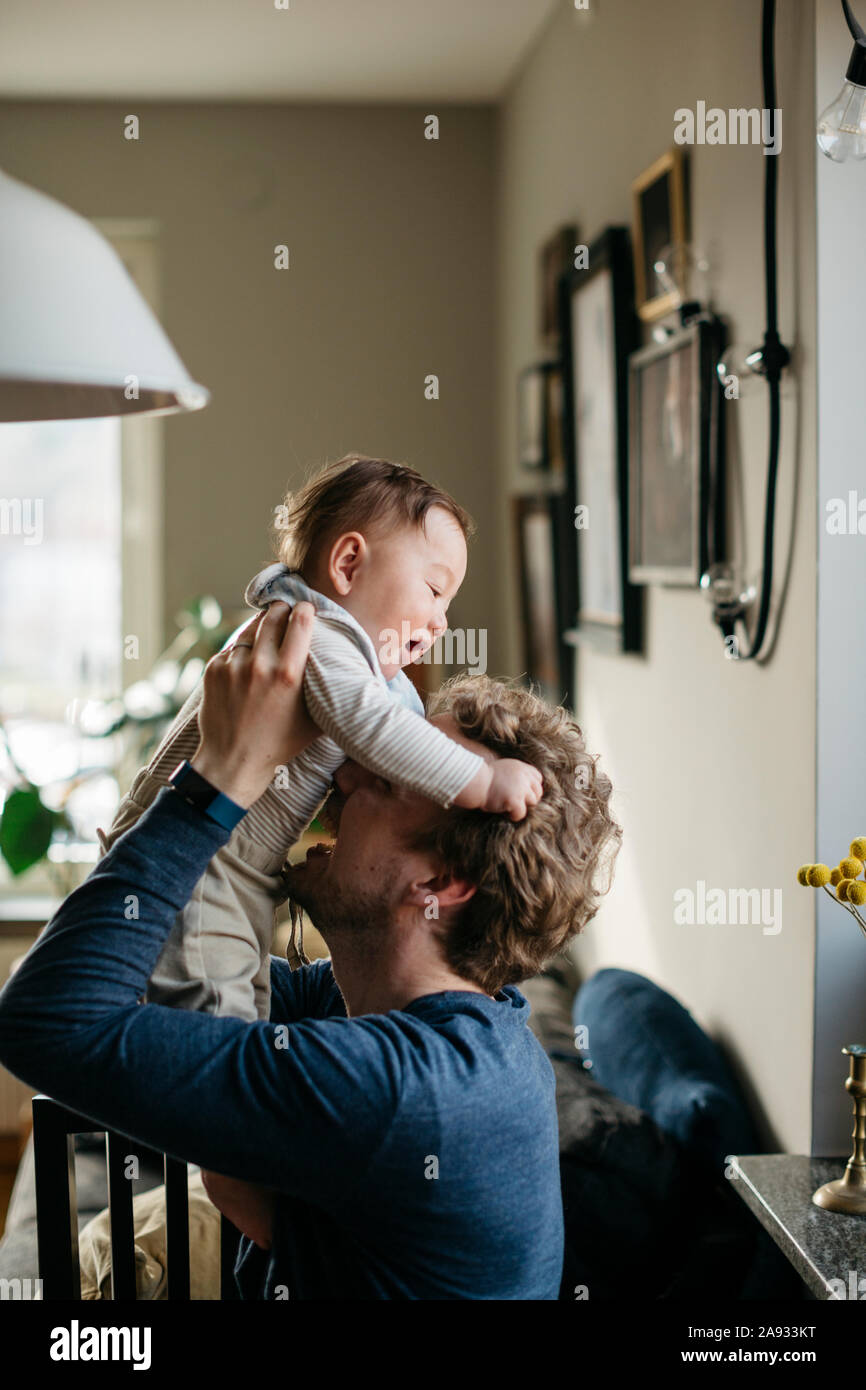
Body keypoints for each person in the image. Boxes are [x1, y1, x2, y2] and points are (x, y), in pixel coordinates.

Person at [0, 602, 622, 1300]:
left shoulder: (402, 1088)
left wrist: (222, 779)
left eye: (383, 780)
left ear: (440, 883)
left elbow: (43, 1022)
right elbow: (120, 970)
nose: (342, 775)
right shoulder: (399, 1013)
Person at [100, 453, 542, 1022]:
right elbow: (377, 730)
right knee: (215, 1038)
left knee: (241, 1019)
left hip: (221, 871)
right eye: (434, 590)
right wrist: (482, 780)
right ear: (349, 563)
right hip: (201, 872)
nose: (442, 622)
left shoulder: (345, 657)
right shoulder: (318, 636)